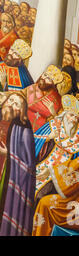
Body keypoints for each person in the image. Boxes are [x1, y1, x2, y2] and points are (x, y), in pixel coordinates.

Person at [35, 95, 79, 200]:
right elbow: (34, 140)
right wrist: (48, 138)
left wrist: (52, 171)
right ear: (64, 114)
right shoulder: (54, 124)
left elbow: (76, 166)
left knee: (40, 195)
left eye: (76, 117)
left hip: (59, 177)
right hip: (41, 164)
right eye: (71, 115)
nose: (73, 119)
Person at [0, 93, 36, 236]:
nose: (11, 104)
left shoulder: (23, 127)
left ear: (21, 111)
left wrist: (7, 154)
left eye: (16, 104)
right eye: (11, 100)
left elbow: (27, 163)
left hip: (7, 175)